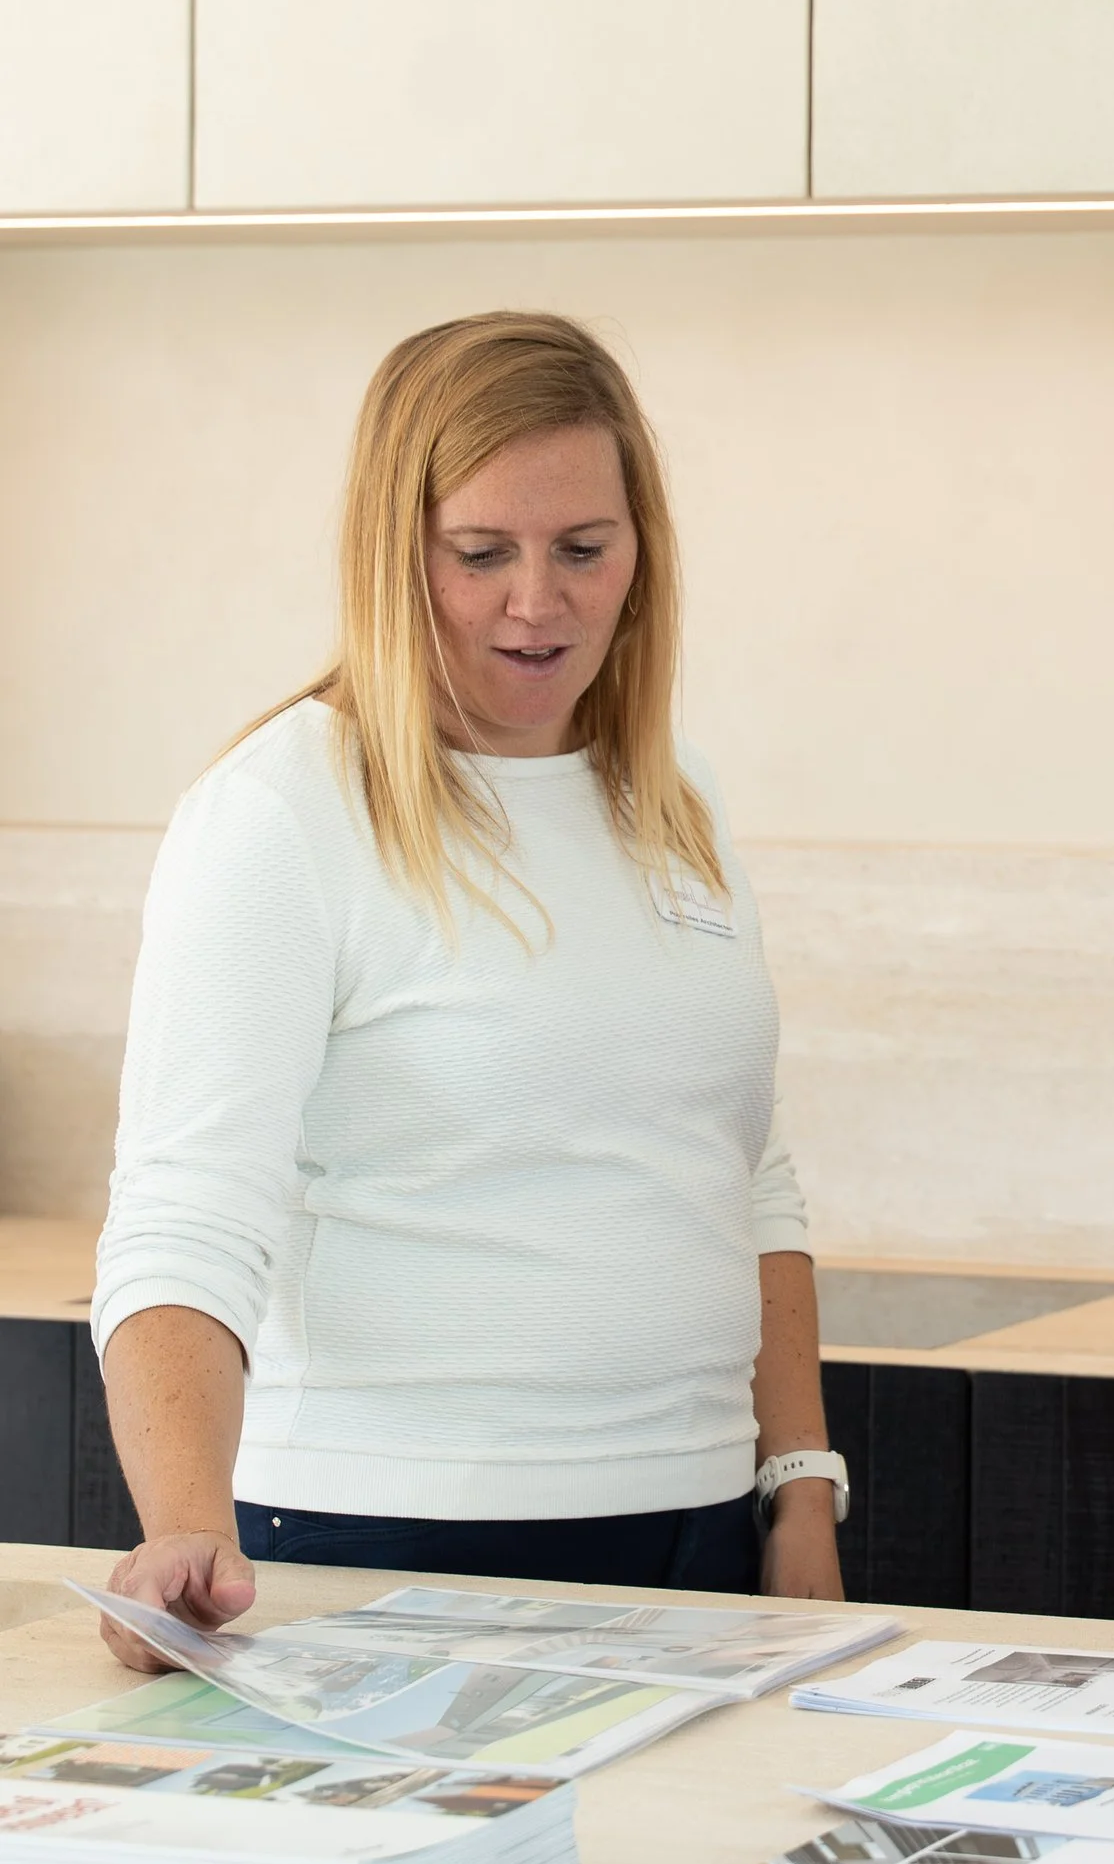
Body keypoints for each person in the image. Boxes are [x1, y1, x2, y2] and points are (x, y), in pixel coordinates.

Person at [92, 310, 846, 1669]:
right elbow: (184, 1210)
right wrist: (186, 1525)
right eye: (480, 552)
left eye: (583, 548)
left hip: (697, 1536)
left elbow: (751, 1168)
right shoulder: (285, 810)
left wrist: (800, 1489)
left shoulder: (672, 802)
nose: (536, 601)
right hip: (389, 1542)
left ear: (643, 554)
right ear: (396, 554)